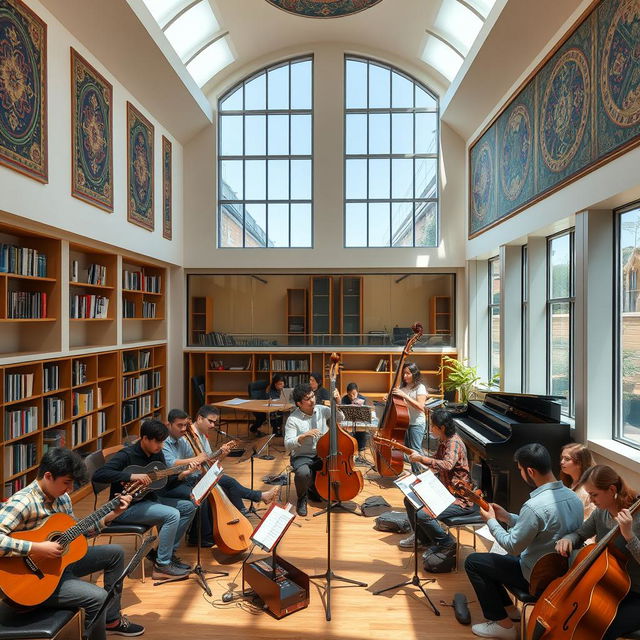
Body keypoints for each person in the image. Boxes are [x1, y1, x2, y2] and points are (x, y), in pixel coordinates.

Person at [0, 448, 144, 639]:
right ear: (48, 476)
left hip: (59, 565)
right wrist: (38, 547)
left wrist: (112, 514)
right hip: (32, 581)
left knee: (115, 553)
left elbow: (76, 533)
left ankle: (111, 620)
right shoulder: (22, 502)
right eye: (66, 483)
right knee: (98, 597)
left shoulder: (62, 498)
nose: (69, 489)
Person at [464, 443, 583, 639]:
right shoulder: (573, 497)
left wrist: (492, 521)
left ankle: (503, 626)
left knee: (474, 562)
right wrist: (508, 518)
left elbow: (512, 546)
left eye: (520, 470)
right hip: (561, 573)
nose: (520, 474)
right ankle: (510, 610)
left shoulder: (534, 505)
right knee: (491, 562)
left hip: (536, 577)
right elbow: (544, 528)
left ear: (530, 471)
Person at [92, 419, 198, 579]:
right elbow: (99, 475)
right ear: (145, 439)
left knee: (189, 507)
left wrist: (183, 474)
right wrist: (132, 475)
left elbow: (165, 482)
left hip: (148, 501)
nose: (160, 447)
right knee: (172, 514)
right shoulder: (126, 455)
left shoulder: (157, 453)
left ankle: (163, 555)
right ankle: (162, 566)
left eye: (162, 442)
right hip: (125, 508)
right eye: (157, 442)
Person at [161, 408, 278, 546]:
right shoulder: (182, 439)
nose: (184, 429)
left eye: (185, 425)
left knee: (228, 482)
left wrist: (221, 455)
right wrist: (198, 459)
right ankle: (204, 535)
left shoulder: (188, 437)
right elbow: (172, 463)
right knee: (216, 488)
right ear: (199, 418)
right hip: (180, 480)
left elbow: (206, 461)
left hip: (193, 474)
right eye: (210, 421)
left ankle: (242, 513)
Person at [556, 465, 640, 640]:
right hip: (607, 589)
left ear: (611, 489)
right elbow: (579, 534)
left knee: (598, 628)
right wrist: (568, 539)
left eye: (594, 494)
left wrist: (629, 534)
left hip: (636, 594)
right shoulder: (601, 513)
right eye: (589, 494)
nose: (591, 500)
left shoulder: (637, 517)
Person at [398, 408, 478, 568]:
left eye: (432, 426)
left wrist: (422, 458)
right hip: (444, 493)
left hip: (459, 499)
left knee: (422, 514)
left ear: (441, 428)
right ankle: (424, 539)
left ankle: (446, 543)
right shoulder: (444, 441)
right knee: (410, 500)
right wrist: (414, 465)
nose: (430, 429)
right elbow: (434, 461)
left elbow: (447, 465)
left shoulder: (453, 442)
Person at [284, 382, 342, 516]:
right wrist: (302, 436)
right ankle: (301, 498)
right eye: (307, 399)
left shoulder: (321, 409)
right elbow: (287, 445)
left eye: (312, 396)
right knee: (302, 473)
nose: (312, 400)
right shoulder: (293, 419)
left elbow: (340, 418)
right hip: (302, 456)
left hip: (322, 454)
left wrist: (337, 404)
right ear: (299, 403)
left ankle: (317, 489)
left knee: (336, 464)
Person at [385, 362, 427, 474]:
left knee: (415, 449)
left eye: (408, 373)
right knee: (407, 449)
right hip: (403, 422)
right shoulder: (401, 387)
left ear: (414, 373)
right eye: (404, 373)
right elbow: (396, 404)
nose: (404, 376)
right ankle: (417, 471)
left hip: (417, 423)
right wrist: (388, 399)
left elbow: (420, 407)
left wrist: (404, 396)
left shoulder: (420, 387)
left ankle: (420, 475)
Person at [341, 382, 375, 463]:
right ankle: (351, 456)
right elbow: (341, 413)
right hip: (349, 424)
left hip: (361, 424)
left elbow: (367, 413)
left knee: (363, 433)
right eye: (349, 395)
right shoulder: (344, 399)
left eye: (354, 394)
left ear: (357, 392)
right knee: (349, 435)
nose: (352, 397)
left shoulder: (363, 399)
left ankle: (360, 454)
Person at [559, 442, 595, 520]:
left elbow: (589, 521)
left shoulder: (587, 491)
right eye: (562, 458)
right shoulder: (568, 483)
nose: (562, 462)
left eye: (567, 459)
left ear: (579, 463)